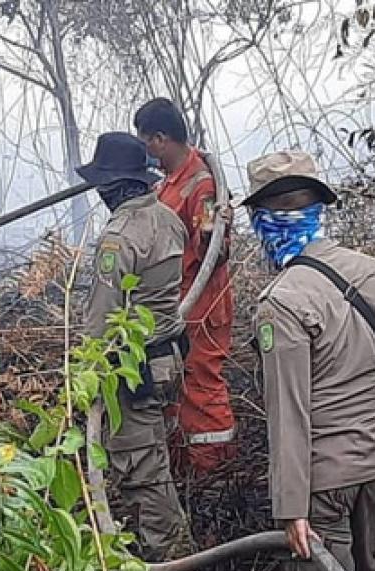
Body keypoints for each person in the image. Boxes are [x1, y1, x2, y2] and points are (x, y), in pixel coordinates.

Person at [237, 151, 375, 571]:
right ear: (318, 209)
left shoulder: (281, 302)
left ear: (263, 222)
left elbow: (290, 415)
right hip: (374, 463)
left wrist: (292, 509)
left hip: (323, 484)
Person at [79, 132, 193, 561]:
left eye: (105, 185)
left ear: (119, 186)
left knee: (141, 470)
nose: (101, 193)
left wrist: (85, 378)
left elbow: (103, 318)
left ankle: (172, 564)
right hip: (168, 359)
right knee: (153, 456)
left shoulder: (118, 238)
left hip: (135, 368)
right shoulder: (169, 218)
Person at [133, 98, 236, 475]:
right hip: (175, 310)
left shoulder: (202, 184)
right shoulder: (168, 185)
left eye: (145, 142)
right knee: (175, 389)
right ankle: (183, 470)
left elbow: (215, 252)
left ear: (160, 139)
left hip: (202, 308)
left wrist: (215, 227)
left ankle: (214, 473)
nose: (145, 151)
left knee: (202, 390)